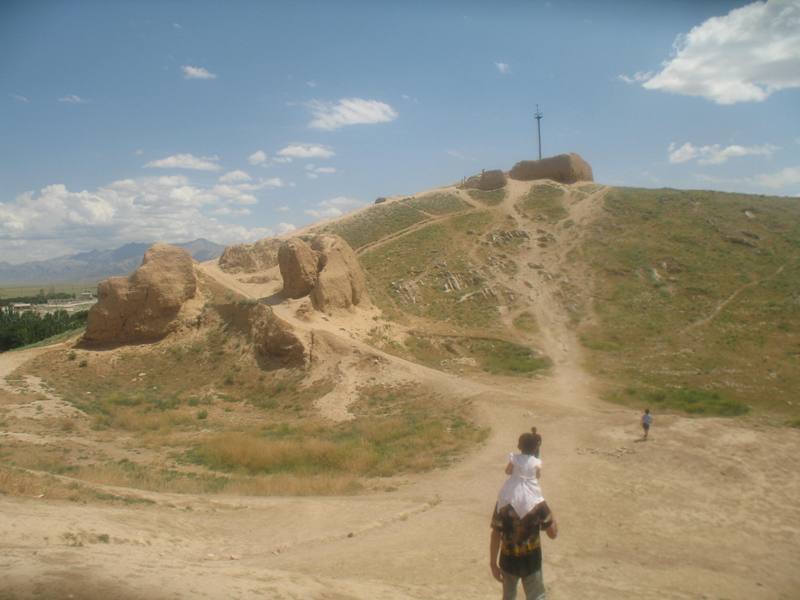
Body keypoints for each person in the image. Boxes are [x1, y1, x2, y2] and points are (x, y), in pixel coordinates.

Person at [490, 433, 557, 600]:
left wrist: (493, 563)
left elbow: (496, 534)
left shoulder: (504, 501)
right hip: (531, 561)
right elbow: (553, 533)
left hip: (508, 560)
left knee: (509, 596)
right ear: (536, 448)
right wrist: (548, 510)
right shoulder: (538, 504)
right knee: (536, 596)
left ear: (519, 446)